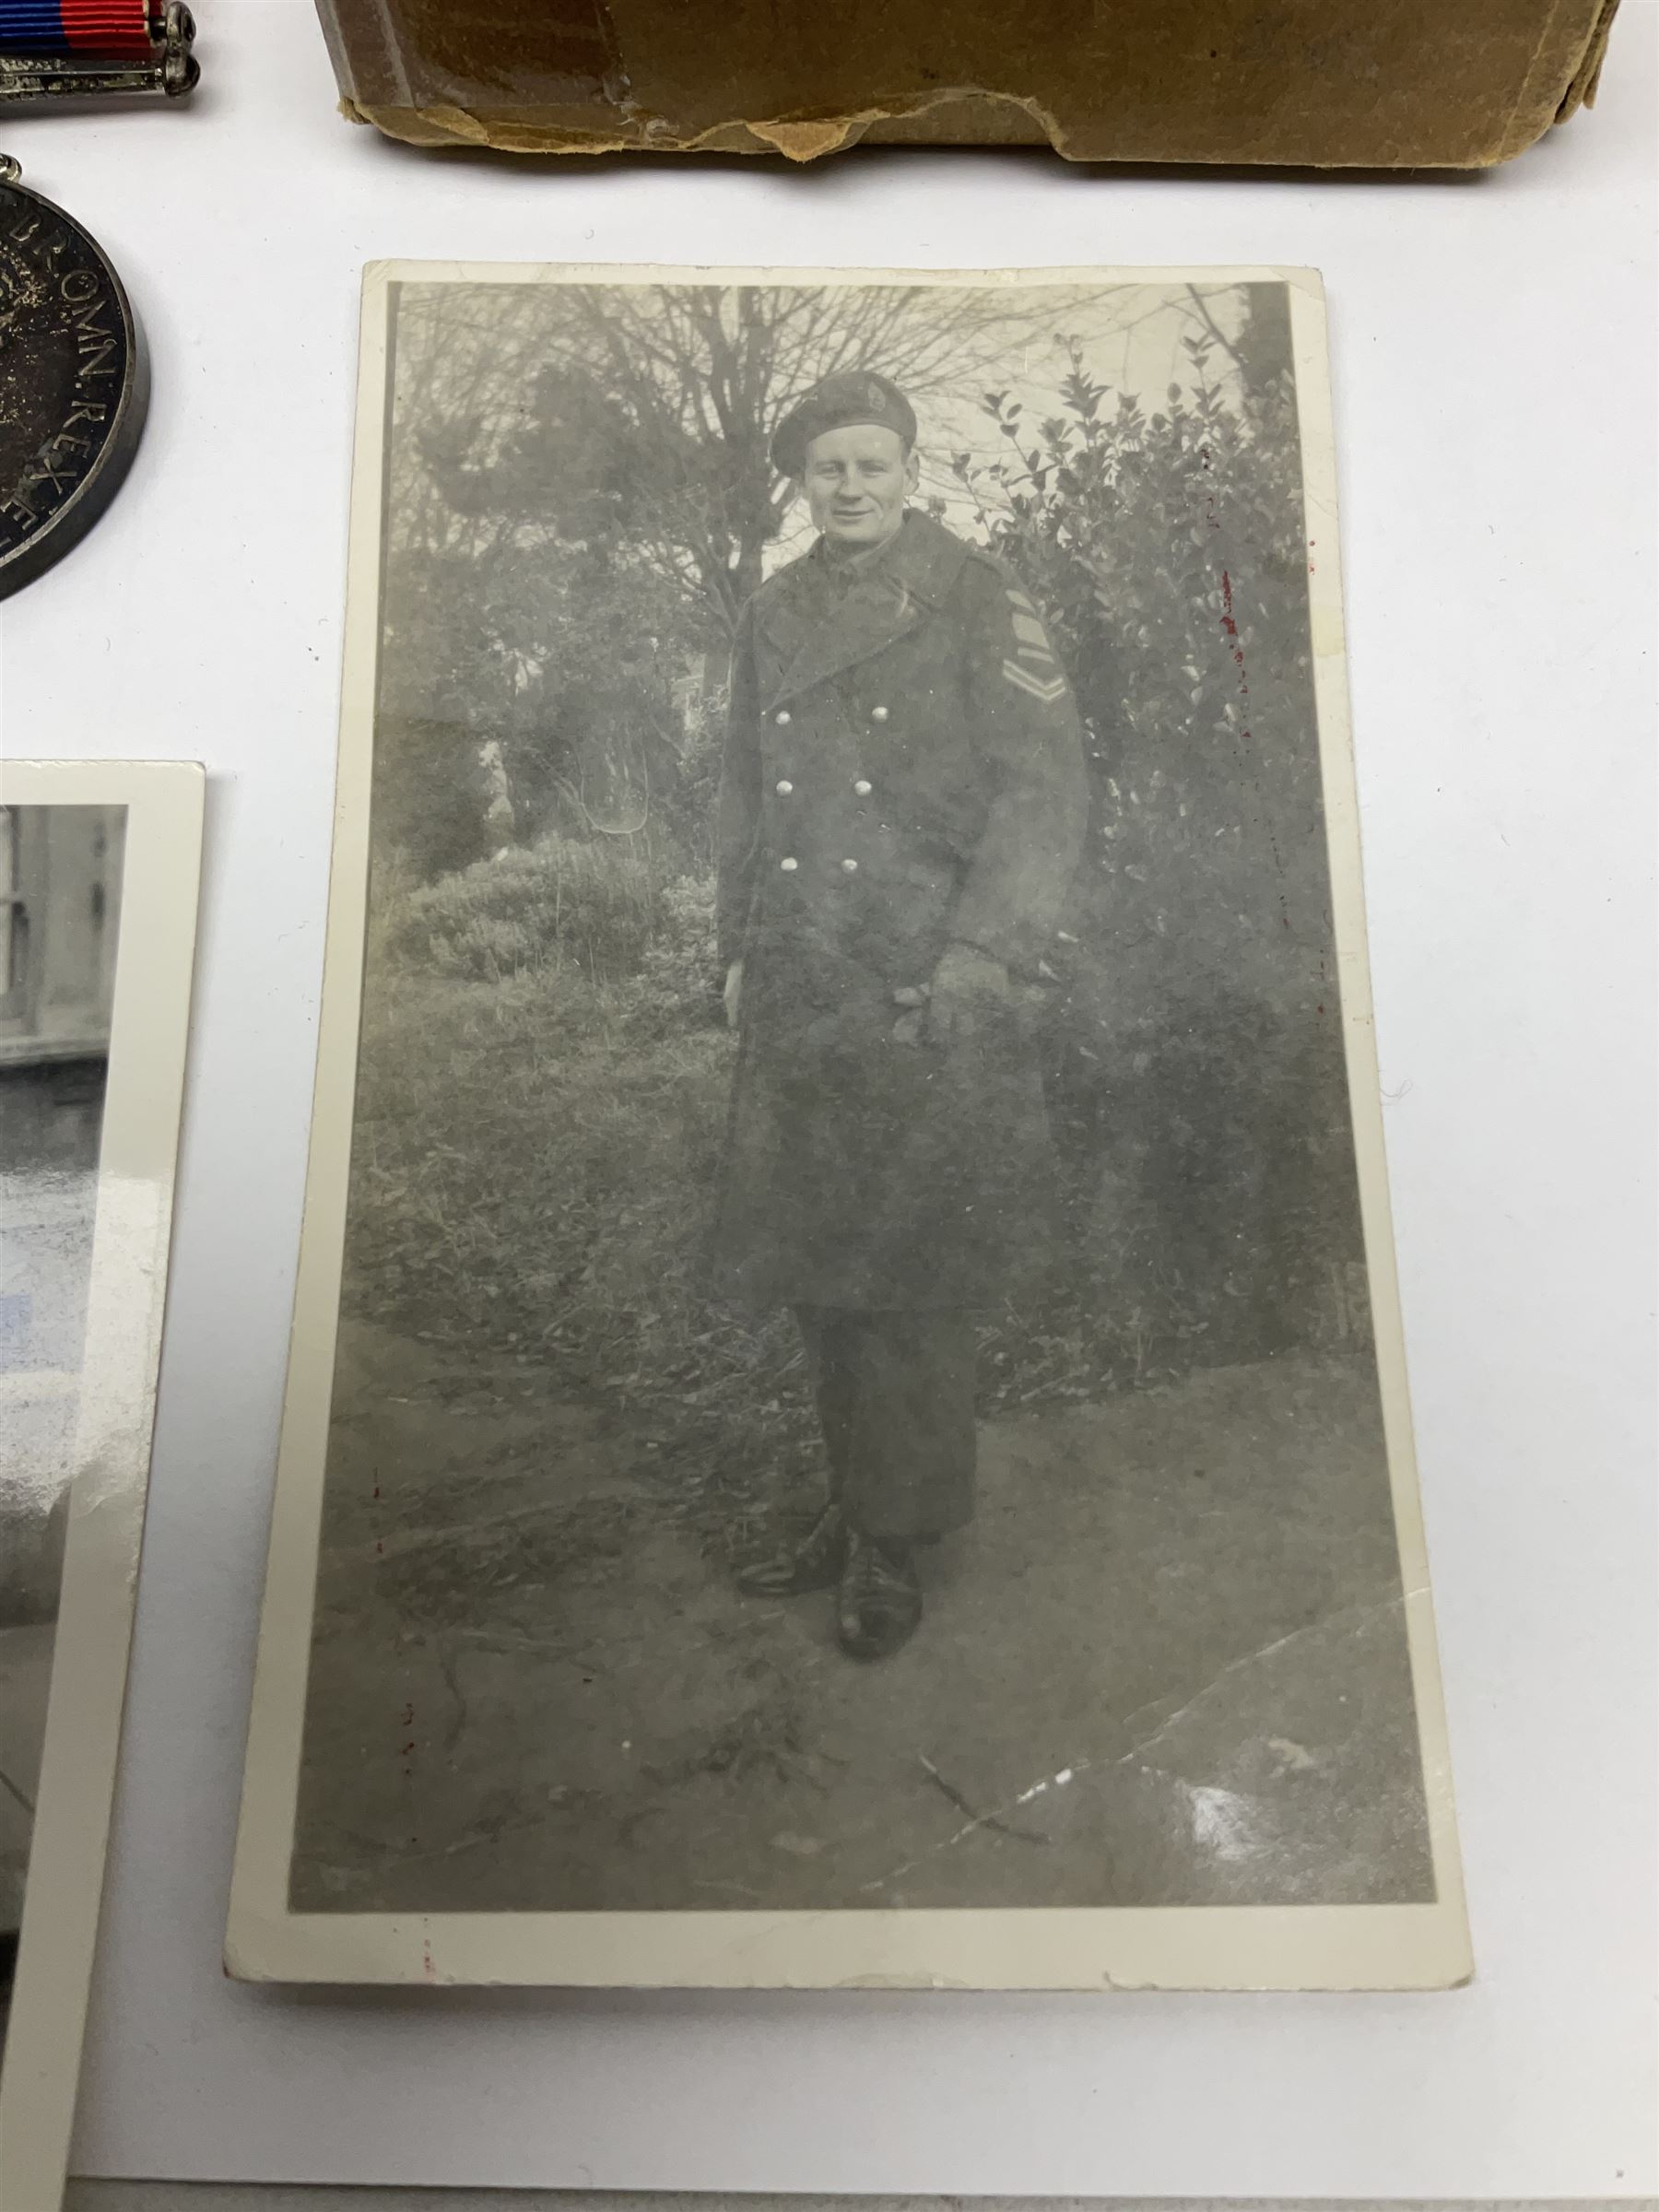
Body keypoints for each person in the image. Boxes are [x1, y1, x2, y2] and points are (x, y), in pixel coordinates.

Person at [711, 369, 1088, 1661]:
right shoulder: (773, 609)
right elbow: (748, 796)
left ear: (909, 472)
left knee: (913, 1269)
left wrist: (983, 956)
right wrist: (740, 947)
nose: (852, 488)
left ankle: (896, 1539)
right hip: (809, 973)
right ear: (802, 485)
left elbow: (1043, 793)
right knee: (824, 1262)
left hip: (927, 979)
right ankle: (849, 1501)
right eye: (829, 471)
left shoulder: (980, 599)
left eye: (873, 466)